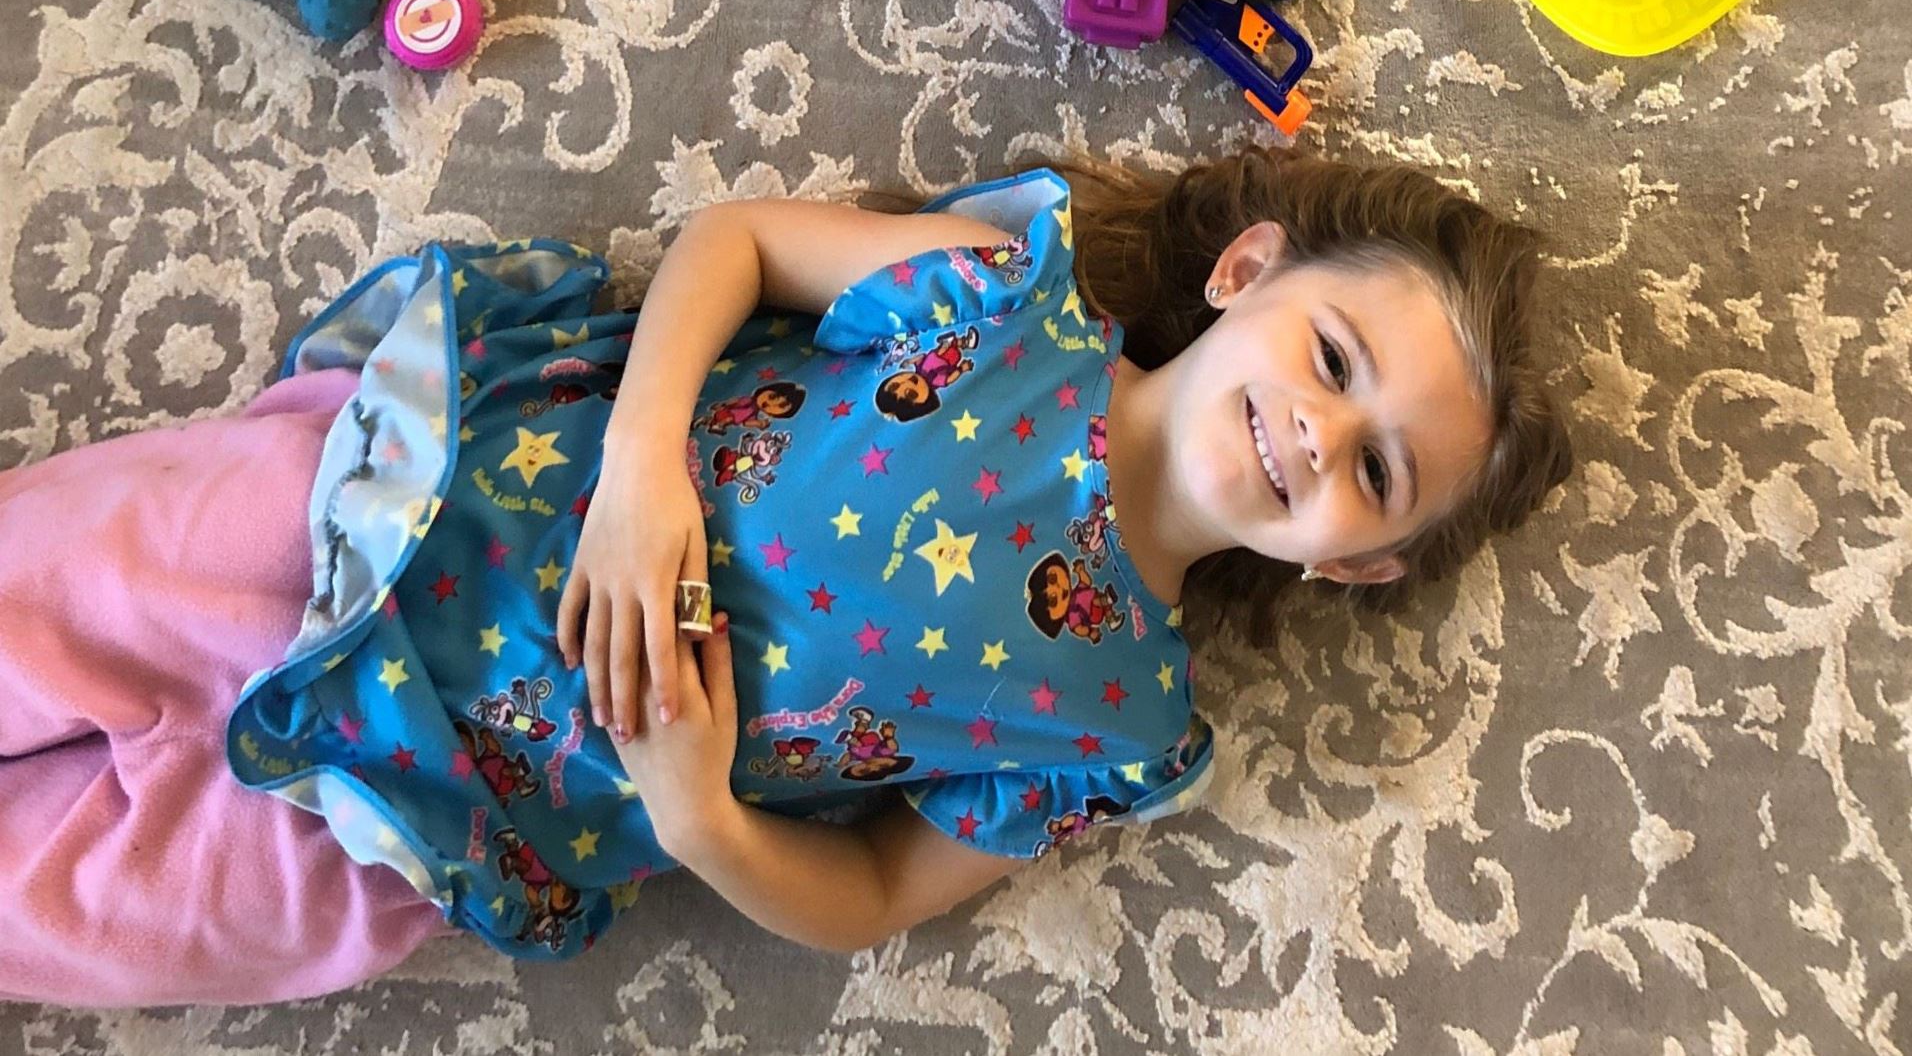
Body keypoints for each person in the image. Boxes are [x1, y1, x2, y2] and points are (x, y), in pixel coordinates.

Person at [0, 149, 1571, 1008]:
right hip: (382, 508)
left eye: (1379, 469)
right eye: (1335, 359)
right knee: (40, 596)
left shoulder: (1120, 731)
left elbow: (876, 895)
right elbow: (737, 243)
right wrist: (642, 469)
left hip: (426, 817)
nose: (1321, 432)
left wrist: (702, 823)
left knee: (63, 913)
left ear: (1359, 564)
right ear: (1248, 272)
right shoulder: (1001, 297)